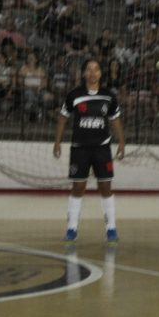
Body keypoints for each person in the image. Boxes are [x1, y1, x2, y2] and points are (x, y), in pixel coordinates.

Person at [52, 57, 125, 243]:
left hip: (102, 149)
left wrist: (122, 143)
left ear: (100, 73)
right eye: (89, 69)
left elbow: (115, 120)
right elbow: (63, 118)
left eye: (96, 69)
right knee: (78, 187)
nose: (93, 73)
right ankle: (71, 228)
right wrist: (57, 142)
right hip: (80, 149)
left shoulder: (109, 96)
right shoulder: (74, 95)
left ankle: (111, 228)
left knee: (105, 187)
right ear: (84, 73)